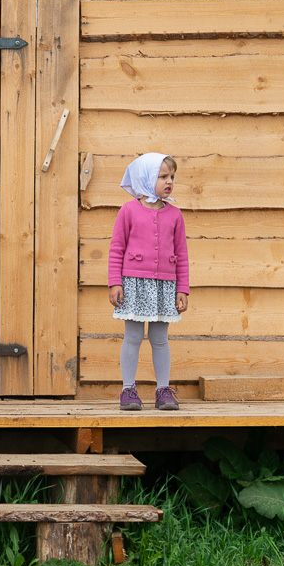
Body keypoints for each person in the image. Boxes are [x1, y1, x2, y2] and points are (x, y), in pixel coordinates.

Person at [108, 153, 189, 411]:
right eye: (162, 176)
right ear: (145, 178)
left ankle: (163, 390)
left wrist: (182, 289)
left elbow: (183, 254)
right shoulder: (128, 210)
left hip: (164, 286)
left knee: (160, 338)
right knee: (132, 336)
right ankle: (128, 390)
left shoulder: (175, 215)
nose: (169, 182)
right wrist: (115, 282)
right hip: (133, 283)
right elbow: (116, 249)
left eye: (172, 177)